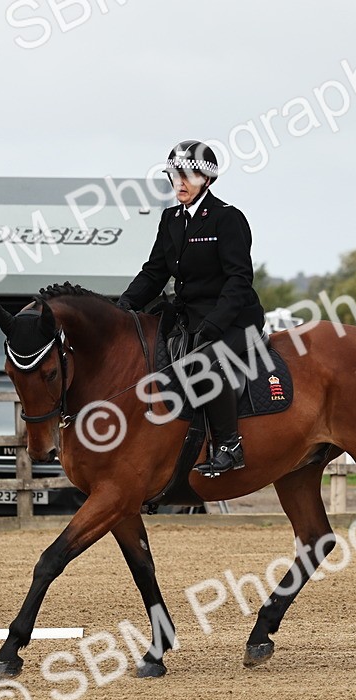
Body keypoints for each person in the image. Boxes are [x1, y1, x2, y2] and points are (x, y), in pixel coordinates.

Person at [116, 140, 266, 477]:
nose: (179, 182)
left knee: (204, 364)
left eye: (188, 175)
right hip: (189, 318)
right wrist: (124, 305)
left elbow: (239, 280)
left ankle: (230, 446)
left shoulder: (227, 219)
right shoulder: (171, 219)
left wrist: (215, 323)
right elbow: (155, 272)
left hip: (235, 319)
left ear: (207, 180)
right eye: (174, 175)